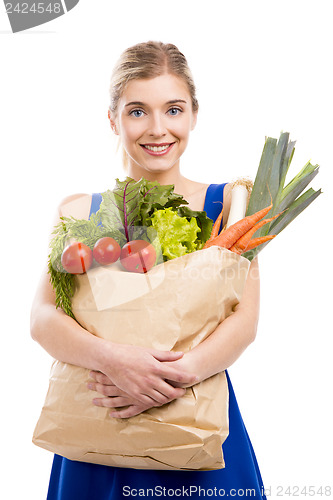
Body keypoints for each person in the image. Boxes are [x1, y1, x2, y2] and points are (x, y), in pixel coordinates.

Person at [31, 41, 266, 499]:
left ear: (194, 114)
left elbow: (246, 320)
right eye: (137, 111)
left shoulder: (231, 207)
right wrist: (116, 362)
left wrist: (169, 380)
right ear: (112, 119)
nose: (158, 129)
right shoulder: (80, 213)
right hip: (100, 428)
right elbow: (42, 319)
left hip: (195, 425)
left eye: (173, 110)